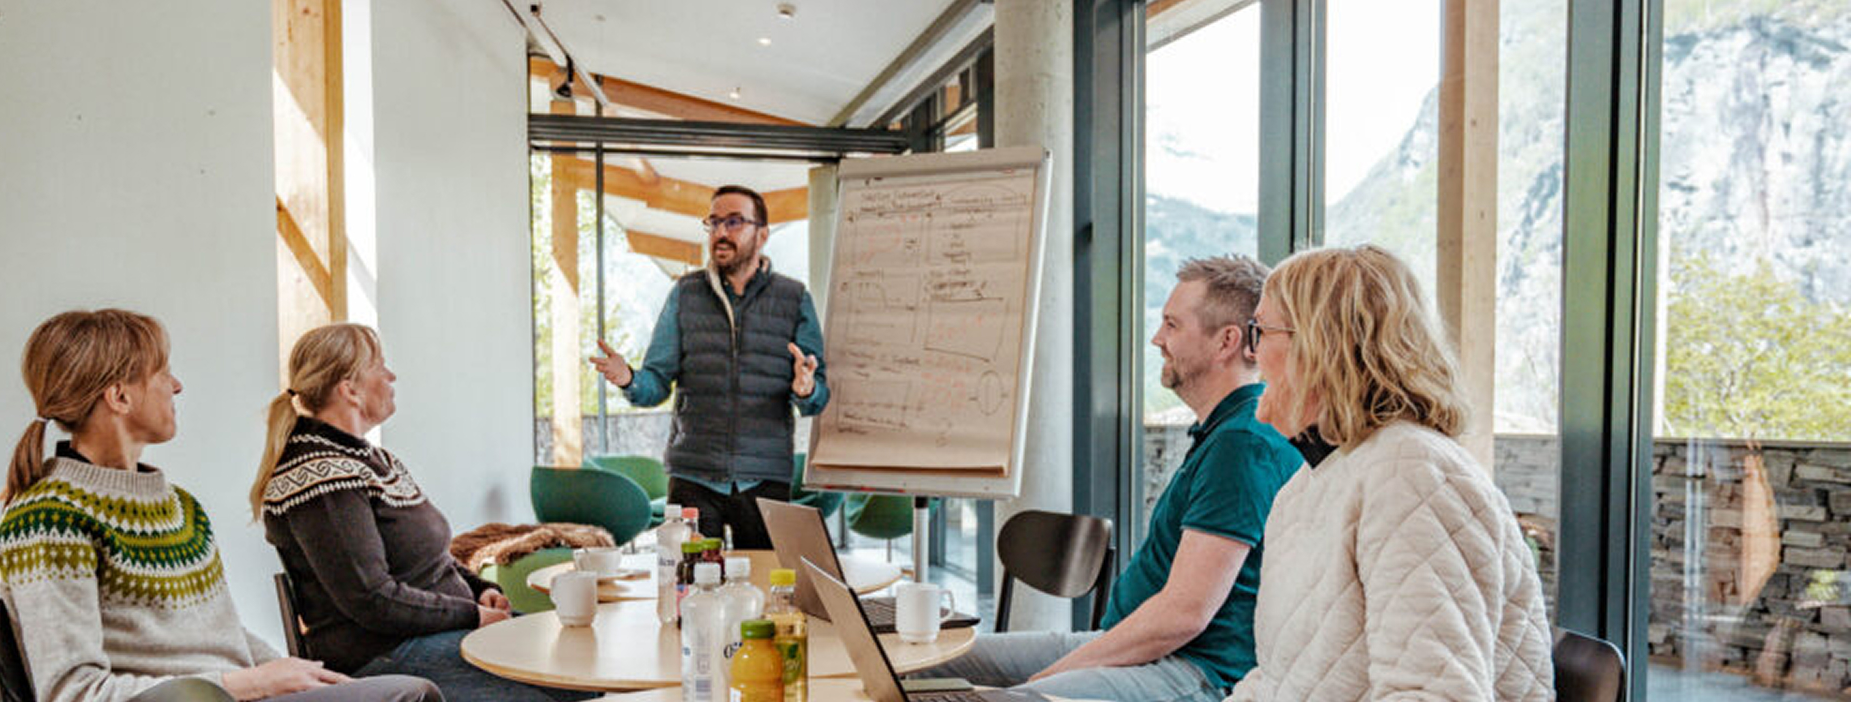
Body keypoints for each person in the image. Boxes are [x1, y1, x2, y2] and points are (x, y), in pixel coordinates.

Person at [0, 309, 441, 702]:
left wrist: (299, 676)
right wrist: (251, 683)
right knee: (407, 695)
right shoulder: (48, 521)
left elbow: (224, 638)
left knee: (407, 692)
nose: (177, 385)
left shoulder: (180, 507)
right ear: (119, 396)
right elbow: (74, 694)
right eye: (162, 372)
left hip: (237, 694)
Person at [915, 256, 1302, 701]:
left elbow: (1183, 615)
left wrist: (1046, 679)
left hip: (1190, 669)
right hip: (1131, 646)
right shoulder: (1222, 431)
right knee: (930, 659)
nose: (1157, 339)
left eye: (1172, 325)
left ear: (1226, 342)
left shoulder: (1242, 443)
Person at [1228, 245, 1554, 701]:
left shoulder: (1415, 476)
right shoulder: (1312, 483)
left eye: (1261, 332)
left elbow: (1434, 694)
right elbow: (1279, 677)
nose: (1252, 353)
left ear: (1321, 345)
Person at [251, 324, 592, 702]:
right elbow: (373, 599)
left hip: (431, 636)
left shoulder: (375, 460)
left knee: (582, 662)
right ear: (350, 390)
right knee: (563, 685)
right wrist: (471, 615)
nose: (391, 376)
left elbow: (432, 560)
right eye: (379, 366)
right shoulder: (321, 477)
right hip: (384, 654)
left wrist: (481, 590)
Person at [588, 184, 828, 550]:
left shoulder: (794, 298)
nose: (720, 232)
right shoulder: (685, 294)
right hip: (693, 477)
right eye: (714, 223)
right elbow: (655, 383)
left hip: (765, 477)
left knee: (765, 581)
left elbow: (818, 394)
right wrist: (630, 379)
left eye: (734, 222)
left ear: (762, 234)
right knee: (689, 579)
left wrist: (806, 388)